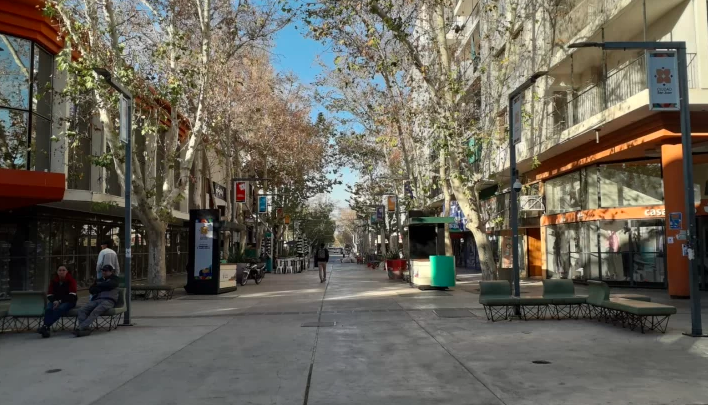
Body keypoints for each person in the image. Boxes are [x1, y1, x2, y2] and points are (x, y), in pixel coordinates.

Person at [75, 264, 120, 337]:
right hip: (97, 299)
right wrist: (102, 286)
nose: (104, 272)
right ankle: (84, 329)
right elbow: (91, 290)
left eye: (106, 271)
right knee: (82, 310)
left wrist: (99, 286)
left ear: (111, 271)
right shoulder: (99, 280)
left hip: (109, 301)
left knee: (95, 311)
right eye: (103, 271)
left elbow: (111, 285)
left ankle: (80, 327)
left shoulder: (115, 279)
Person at [37, 265, 78, 338]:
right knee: (48, 309)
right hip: (55, 301)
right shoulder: (54, 281)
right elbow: (49, 294)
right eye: (60, 270)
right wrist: (55, 301)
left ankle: (45, 326)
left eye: (63, 270)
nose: (61, 272)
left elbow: (72, 295)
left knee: (60, 309)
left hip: (69, 301)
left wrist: (60, 301)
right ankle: (46, 330)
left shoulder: (71, 280)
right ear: (57, 272)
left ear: (67, 271)